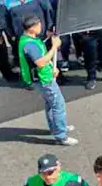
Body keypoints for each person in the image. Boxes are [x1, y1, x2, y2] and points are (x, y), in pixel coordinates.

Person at [19, 16, 77, 146]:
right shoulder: (30, 45)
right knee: (58, 105)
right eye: (39, 25)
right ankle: (61, 135)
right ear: (33, 28)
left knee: (51, 104)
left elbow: (42, 56)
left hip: (44, 76)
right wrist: (54, 47)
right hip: (44, 80)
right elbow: (40, 62)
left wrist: (52, 67)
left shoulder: (27, 39)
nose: (41, 27)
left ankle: (56, 127)